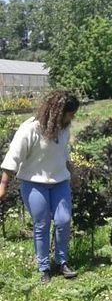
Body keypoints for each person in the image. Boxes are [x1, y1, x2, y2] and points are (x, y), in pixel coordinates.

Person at [0, 90, 80, 284]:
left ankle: (62, 262)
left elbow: (63, 152)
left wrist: (71, 171)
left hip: (60, 182)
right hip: (33, 183)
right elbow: (13, 157)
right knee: (42, 224)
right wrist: (3, 185)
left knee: (63, 220)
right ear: (58, 112)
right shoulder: (30, 128)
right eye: (70, 113)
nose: (72, 117)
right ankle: (43, 268)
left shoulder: (64, 128)